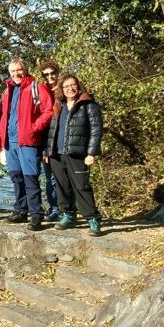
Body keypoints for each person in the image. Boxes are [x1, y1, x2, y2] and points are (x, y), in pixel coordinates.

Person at [43, 73, 104, 235]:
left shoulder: (88, 104)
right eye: (66, 86)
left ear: (78, 86)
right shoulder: (59, 105)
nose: (70, 89)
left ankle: (93, 219)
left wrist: (91, 153)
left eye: (73, 85)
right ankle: (68, 215)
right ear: (61, 89)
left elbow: (96, 131)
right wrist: (47, 150)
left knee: (81, 186)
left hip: (78, 153)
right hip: (57, 153)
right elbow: (52, 130)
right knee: (62, 186)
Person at [0, 58, 54, 231]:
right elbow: (3, 117)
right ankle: (20, 210)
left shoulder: (36, 87)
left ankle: (36, 214)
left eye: (19, 70)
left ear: (25, 69)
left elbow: (48, 111)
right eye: (13, 71)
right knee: (16, 178)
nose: (16, 74)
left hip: (28, 141)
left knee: (31, 178)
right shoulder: (7, 91)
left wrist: (33, 128)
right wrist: (0, 142)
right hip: (10, 141)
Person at [37, 59, 62, 221]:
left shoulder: (66, 89)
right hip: (46, 140)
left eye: (52, 73)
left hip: (63, 139)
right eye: (46, 74)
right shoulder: (41, 91)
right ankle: (54, 207)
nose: (50, 77)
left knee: (64, 177)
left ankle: (65, 208)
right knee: (50, 177)